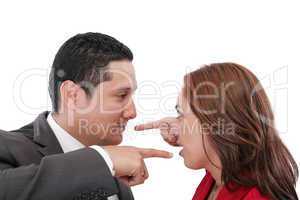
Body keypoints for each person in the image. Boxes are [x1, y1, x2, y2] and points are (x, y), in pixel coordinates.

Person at [0, 32, 172, 200]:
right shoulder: (6, 147)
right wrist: (104, 161)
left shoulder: (116, 177)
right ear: (72, 95)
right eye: (121, 95)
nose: (132, 113)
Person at [135, 63, 298, 200]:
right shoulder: (219, 177)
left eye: (181, 114)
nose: (175, 127)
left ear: (217, 124)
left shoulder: (256, 196)